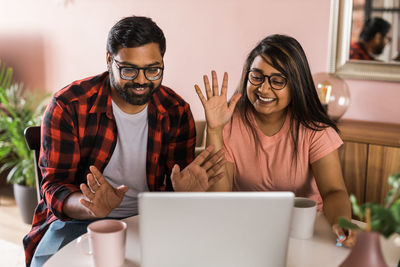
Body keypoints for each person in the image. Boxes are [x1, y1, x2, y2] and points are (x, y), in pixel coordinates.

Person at [23, 15, 225, 267]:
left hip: (151, 220)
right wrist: (89, 207)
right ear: (109, 59)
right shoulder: (69, 105)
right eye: (129, 70)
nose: (142, 80)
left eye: (153, 69)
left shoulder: (176, 111)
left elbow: (174, 192)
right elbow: (54, 186)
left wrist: (182, 195)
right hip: (79, 221)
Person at [195, 34, 356, 247]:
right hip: (245, 230)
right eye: (257, 77)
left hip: (305, 233)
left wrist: (340, 223)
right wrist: (214, 131)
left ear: (296, 85)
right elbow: (220, 199)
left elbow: (333, 191)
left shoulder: (315, 130)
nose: (263, 89)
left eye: (277, 81)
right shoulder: (229, 123)